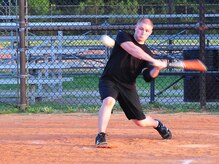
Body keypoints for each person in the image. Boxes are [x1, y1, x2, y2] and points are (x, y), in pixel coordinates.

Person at [95, 18, 172, 147]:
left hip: (128, 86)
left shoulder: (147, 53)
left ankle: (157, 124)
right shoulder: (123, 36)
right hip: (110, 79)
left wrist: (157, 68)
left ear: (150, 33)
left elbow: (148, 77)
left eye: (147, 30)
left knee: (140, 122)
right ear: (135, 27)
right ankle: (101, 135)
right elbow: (133, 50)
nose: (143, 32)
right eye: (141, 28)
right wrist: (153, 60)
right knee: (108, 101)